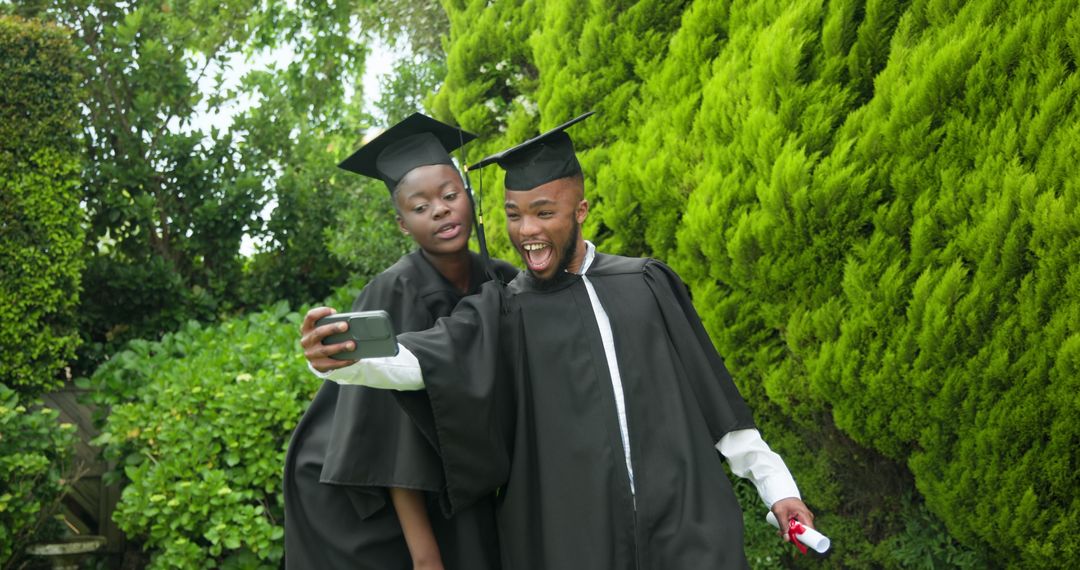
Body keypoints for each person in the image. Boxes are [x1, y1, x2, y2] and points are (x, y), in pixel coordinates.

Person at [312, 112, 818, 569]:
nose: (526, 230)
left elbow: (717, 403)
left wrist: (777, 489)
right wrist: (337, 358)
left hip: (686, 530)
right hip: (573, 542)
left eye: (543, 212)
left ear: (580, 210)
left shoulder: (646, 283)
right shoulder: (507, 307)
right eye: (513, 215)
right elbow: (424, 361)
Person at [283, 113, 517, 570]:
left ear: (468, 198)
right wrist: (424, 554)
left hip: (447, 468)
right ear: (403, 225)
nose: (441, 210)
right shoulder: (393, 292)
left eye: (450, 195)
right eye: (420, 206)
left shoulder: (500, 278)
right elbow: (386, 434)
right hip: (363, 489)